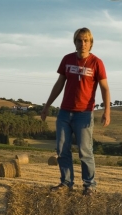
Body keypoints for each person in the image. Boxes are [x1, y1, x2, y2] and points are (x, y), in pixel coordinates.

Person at [41, 27, 111, 196]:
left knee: (85, 151)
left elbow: (105, 88)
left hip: (84, 114)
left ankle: (89, 185)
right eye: (79, 40)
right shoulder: (67, 59)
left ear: (91, 43)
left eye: (86, 40)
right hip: (64, 112)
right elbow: (59, 84)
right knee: (62, 150)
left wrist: (107, 111)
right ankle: (66, 183)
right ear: (75, 42)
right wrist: (47, 105)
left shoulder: (97, 63)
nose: (82, 43)